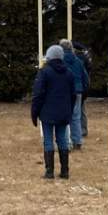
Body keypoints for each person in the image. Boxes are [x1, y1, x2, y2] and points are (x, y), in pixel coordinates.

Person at [30, 44, 75, 179]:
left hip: (47, 113)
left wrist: (34, 112)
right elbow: (73, 95)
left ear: (48, 56)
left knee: (48, 141)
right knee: (62, 140)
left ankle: (49, 171)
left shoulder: (44, 72)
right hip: (63, 113)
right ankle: (65, 171)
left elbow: (38, 94)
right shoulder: (69, 73)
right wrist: (69, 111)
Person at [60, 39, 88, 150]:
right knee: (76, 117)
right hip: (78, 91)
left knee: (64, 117)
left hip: (64, 91)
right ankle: (77, 141)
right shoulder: (78, 61)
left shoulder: (60, 61)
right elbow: (85, 78)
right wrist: (82, 88)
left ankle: (67, 143)